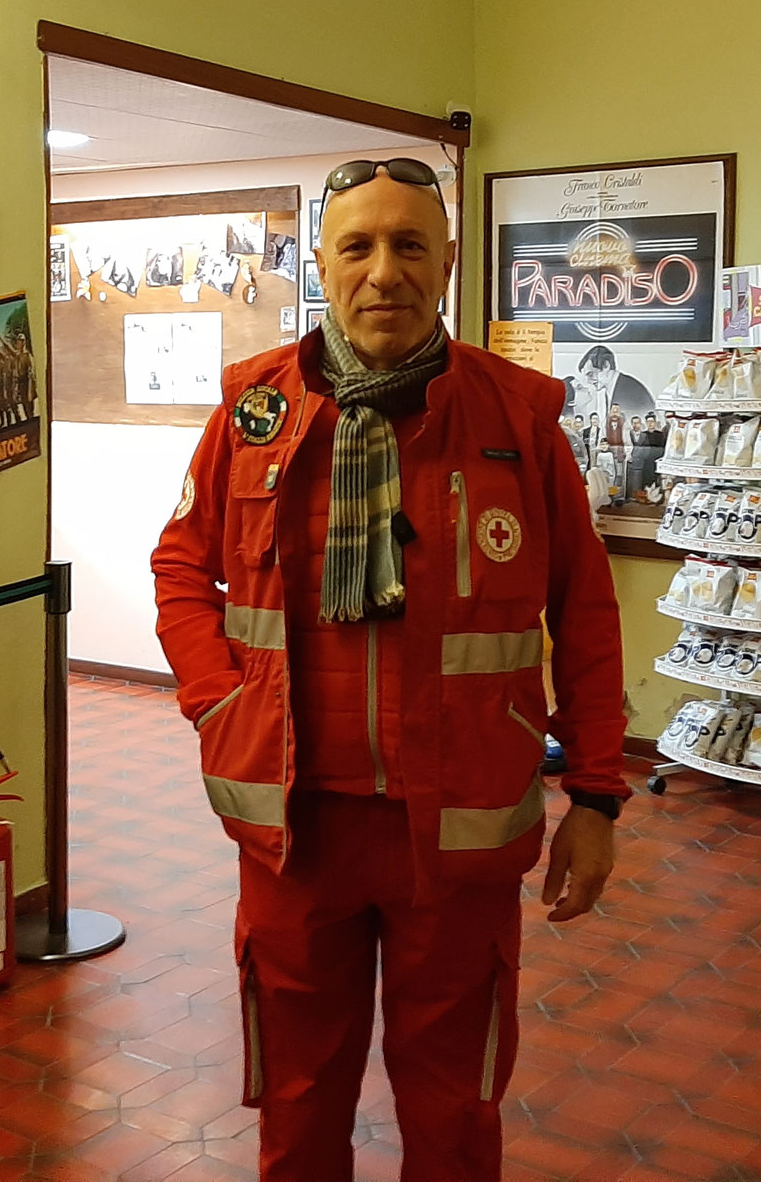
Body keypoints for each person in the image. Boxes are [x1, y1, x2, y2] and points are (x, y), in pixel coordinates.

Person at [152, 155, 627, 1182]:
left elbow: (583, 615)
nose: (383, 272)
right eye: (356, 246)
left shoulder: (520, 423)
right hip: (294, 831)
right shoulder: (251, 418)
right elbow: (180, 565)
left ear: (448, 260)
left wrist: (595, 794)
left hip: (455, 832)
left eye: (409, 245)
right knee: (296, 1099)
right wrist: (217, 705)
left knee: (454, 1108)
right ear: (319, 262)